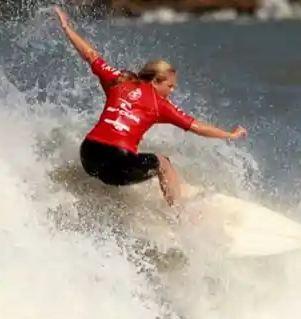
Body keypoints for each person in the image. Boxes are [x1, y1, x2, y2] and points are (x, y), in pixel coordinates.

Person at [54, 7, 247, 208]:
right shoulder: (160, 105)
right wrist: (229, 135)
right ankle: (180, 216)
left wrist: (67, 28)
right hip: (117, 161)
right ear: (155, 81)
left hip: (89, 154)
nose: (172, 90)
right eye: (170, 86)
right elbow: (197, 126)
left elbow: (91, 55)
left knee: (116, 165)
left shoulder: (119, 80)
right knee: (163, 162)